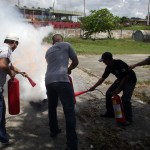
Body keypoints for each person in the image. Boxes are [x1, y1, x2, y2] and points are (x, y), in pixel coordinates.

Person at [45, 34, 79, 150]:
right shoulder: (66, 45)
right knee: (69, 111)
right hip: (62, 80)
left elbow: (51, 65)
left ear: (52, 42)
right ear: (61, 40)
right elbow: (75, 61)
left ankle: (53, 130)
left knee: (52, 107)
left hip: (49, 81)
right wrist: (69, 69)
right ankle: (71, 145)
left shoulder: (48, 51)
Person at [89, 52, 137, 125]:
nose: (103, 62)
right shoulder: (108, 67)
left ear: (109, 59)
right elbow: (102, 78)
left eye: (104, 61)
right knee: (108, 93)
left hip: (130, 80)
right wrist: (93, 87)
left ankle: (128, 119)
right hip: (121, 79)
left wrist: (118, 89)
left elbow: (126, 77)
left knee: (125, 99)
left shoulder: (119, 63)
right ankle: (110, 113)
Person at [0, 34, 27, 146]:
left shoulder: (1, 48)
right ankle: (3, 139)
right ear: (14, 42)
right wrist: (11, 74)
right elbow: (2, 65)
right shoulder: (7, 49)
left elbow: (8, 65)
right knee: (1, 113)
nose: (16, 47)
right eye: (17, 44)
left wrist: (20, 72)